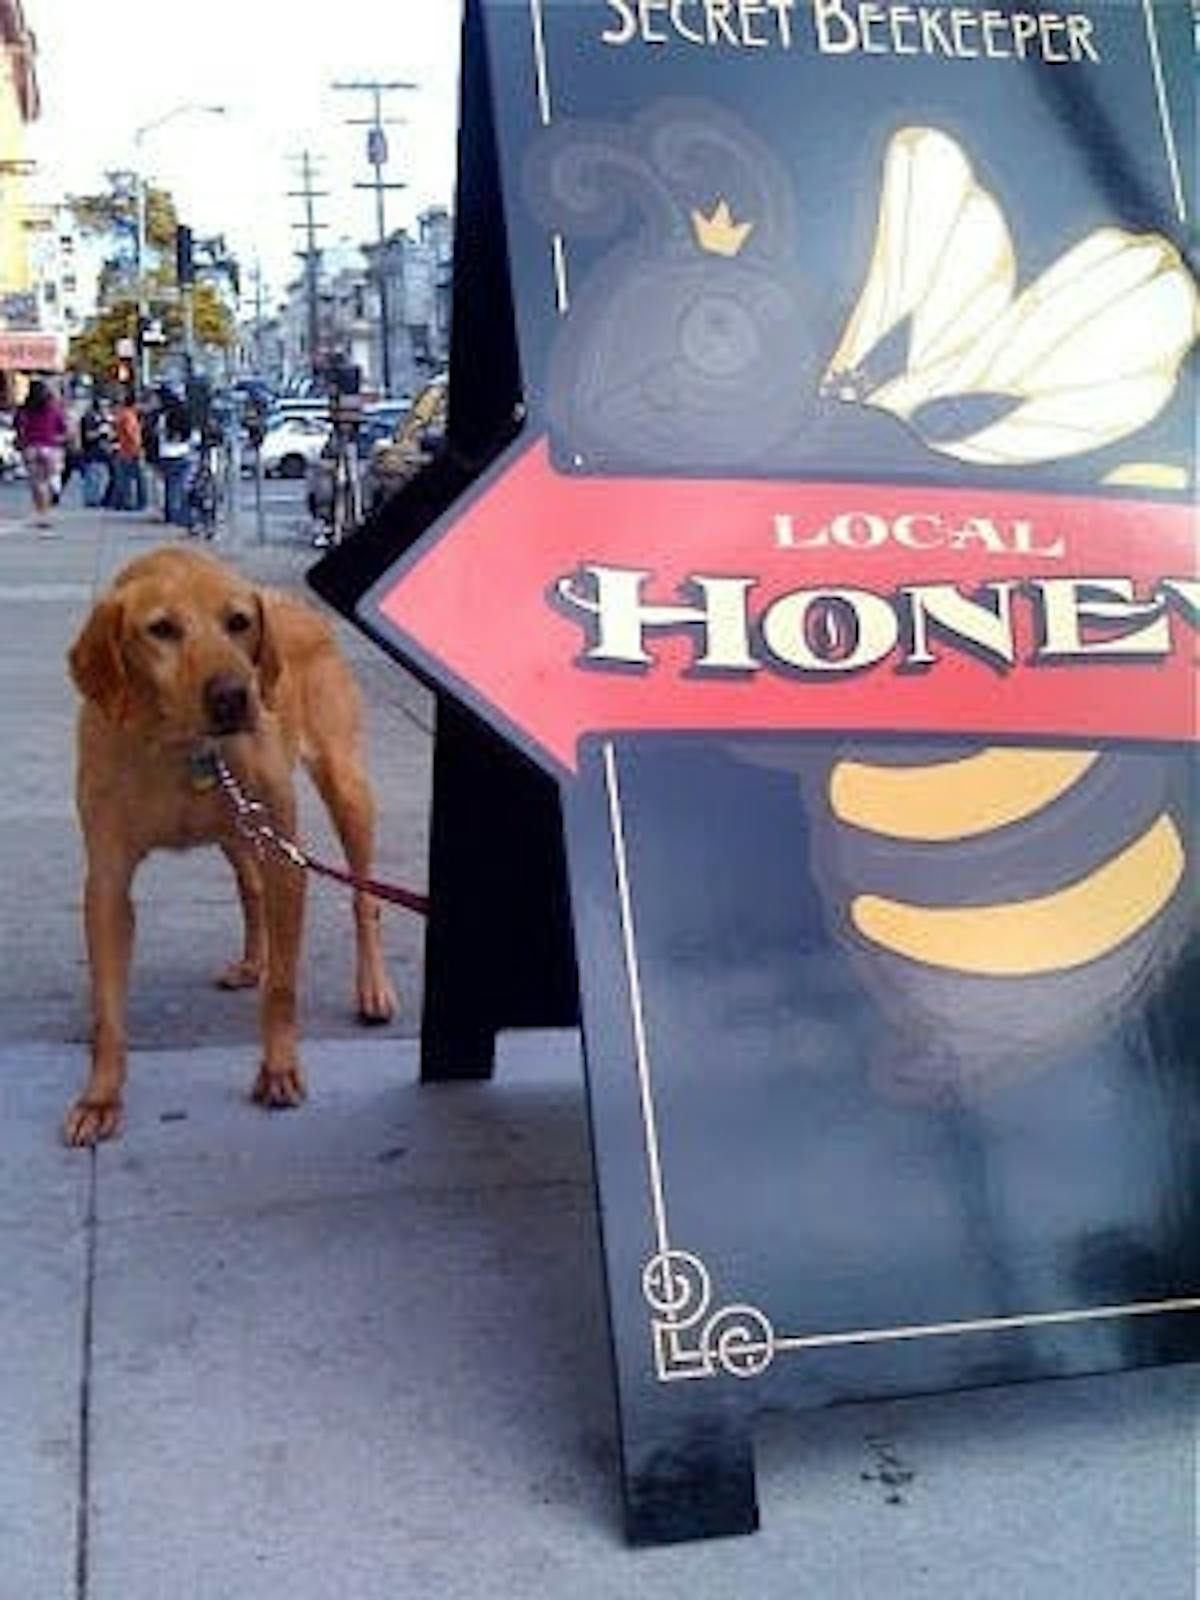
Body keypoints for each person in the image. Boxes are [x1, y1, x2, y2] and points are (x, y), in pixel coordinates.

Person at [14, 378, 68, 531]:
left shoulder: (24, 409)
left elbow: (18, 426)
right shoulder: (53, 408)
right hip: (51, 448)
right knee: (51, 478)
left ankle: (42, 513)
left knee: (37, 483)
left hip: (30, 448)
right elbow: (63, 428)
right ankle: (54, 491)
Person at [157, 394, 194, 529]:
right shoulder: (183, 415)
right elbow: (188, 434)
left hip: (166, 453)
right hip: (181, 453)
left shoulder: (164, 416)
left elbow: (159, 433)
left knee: (170, 486)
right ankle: (177, 514)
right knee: (181, 486)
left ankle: (170, 512)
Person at [111, 392, 145, 512]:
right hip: (131, 451)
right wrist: (138, 447)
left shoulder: (122, 415)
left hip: (124, 450)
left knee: (124, 478)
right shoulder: (129, 416)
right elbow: (132, 434)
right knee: (136, 479)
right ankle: (134, 502)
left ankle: (122, 501)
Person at [78, 398, 113, 509]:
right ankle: (91, 500)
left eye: (107, 406)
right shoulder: (89, 418)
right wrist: (100, 432)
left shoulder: (106, 419)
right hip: (91, 452)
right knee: (92, 477)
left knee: (101, 477)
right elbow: (87, 435)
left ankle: (97, 499)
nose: (106, 409)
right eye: (104, 406)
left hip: (103, 452)